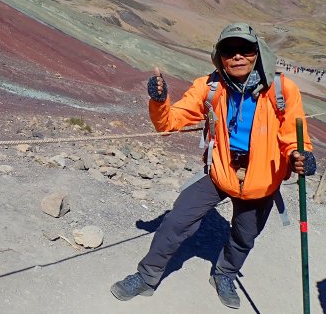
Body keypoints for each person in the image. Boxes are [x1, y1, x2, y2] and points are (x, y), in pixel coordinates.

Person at [111, 23, 317, 309]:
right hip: (220, 172)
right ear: (219, 56)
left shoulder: (282, 90)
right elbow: (169, 123)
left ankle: (224, 274)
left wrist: (301, 155)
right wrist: (159, 101)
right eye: (229, 50)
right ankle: (146, 278)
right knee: (177, 220)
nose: (237, 56)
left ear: (257, 53)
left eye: (245, 49)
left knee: (244, 237)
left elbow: (293, 136)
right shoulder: (210, 87)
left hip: (262, 181)